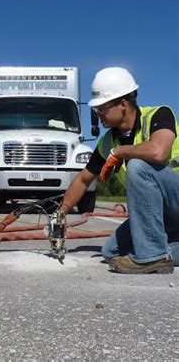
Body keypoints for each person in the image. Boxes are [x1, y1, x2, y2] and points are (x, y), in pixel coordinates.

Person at [59, 67, 179, 274]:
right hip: (160, 216)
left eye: (102, 108)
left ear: (122, 104)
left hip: (175, 201)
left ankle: (152, 257)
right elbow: (83, 180)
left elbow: (158, 151)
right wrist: (61, 214)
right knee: (111, 252)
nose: (97, 114)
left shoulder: (158, 115)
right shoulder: (107, 142)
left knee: (138, 165)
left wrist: (122, 152)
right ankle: (158, 253)